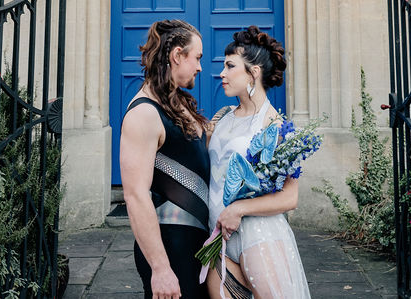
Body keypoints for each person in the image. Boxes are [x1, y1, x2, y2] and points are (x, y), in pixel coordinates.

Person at [205, 27, 310, 299]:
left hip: (259, 236)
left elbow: (290, 198)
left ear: (253, 73)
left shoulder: (277, 126)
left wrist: (238, 208)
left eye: (230, 66)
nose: (222, 74)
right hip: (219, 238)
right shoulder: (222, 117)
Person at [121, 19, 211, 299]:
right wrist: (160, 268)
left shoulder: (177, 103)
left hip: (196, 241)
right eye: (196, 57)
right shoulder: (143, 114)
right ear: (177, 56)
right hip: (171, 248)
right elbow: (135, 196)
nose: (199, 66)